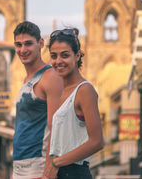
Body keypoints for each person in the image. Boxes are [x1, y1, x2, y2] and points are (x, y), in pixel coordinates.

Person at [43, 28, 104, 179]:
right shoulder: (62, 92)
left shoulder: (84, 90)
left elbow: (97, 141)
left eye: (65, 55)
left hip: (75, 172)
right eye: (53, 56)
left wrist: (57, 163)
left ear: (77, 56)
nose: (58, 61)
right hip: (60, 172)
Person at [12, 21, 63, 179]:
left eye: (28, 44)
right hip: (19, 168)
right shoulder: (26, 79)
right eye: (18, 45)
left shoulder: (50, 77)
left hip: (38, 169)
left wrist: (48, 173)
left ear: (40, 43)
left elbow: (56, 129)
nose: (23, 50)